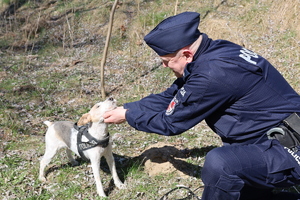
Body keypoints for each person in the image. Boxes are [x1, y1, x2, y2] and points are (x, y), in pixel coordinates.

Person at [103, 12, 300, 200]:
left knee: (222, 164)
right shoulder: (216, 50)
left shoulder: (212, 74)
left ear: (187, 54)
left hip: (289, 149)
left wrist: (129, 117)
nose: (164, 66)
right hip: (270, 139)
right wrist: (126, 109)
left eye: (166, 61)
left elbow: (171, 122)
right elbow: (173, 95)